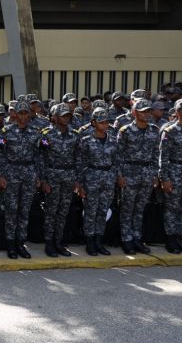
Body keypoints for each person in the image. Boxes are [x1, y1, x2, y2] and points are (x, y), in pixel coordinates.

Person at [0, 100, 42, 259]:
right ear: (14, 114)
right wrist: (1, 175)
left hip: (29, 173)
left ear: (30, 114)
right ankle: (10, 244)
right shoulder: (5, 132)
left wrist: (38, 175)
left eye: (26, 113)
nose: (23, 116)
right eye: (20, 113)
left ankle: (20, 243)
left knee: (24, 210)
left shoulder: (37, 132)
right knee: (11, 210)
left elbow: (39, 155)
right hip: (11, 173)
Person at [116, 100, 160, 254]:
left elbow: (156, 154)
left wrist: (155, 174)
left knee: (140, 208)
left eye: (148, 111)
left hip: (147, 174)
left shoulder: (154, 130)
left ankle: (137, 238)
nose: (146, 114)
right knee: (127, 209)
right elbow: (118, 155)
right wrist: (119, 175)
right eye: (142, 111)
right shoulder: (125, 130)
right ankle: (126, 239)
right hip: (129, 173)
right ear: (134, 112)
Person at [39, 103, 82, 257]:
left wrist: (77, 179)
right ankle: (49, 242)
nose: (66, 118)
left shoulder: (75, 135)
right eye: (63, 115)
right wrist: (43, 180)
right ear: (55, 117)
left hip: (69, 176)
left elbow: (78, 158)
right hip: (52, 175)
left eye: (68, 115)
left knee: (63, 211)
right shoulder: (46, 135)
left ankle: (59, 242)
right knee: (51, 211)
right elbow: (41, 158)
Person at [76, 108, 116, 256]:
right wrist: (79, 184)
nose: (104, 125)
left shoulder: (112, 140)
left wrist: (116, 177)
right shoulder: (86, 141)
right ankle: (90, 242)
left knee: (102, 211)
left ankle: (99, 241)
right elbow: (80, 163)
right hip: (91, 178)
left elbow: (116, 162)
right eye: (101, 122)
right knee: (91, 212)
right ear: (93, 123)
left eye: (106, 122)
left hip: (108, 178)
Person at [158, 98, 182, 253]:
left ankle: (179, 237)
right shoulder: (170, 131)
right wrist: (165, 178)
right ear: (177, 113)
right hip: (174, 171)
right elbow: (163, 157)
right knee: (172, 207)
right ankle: (170, 240)